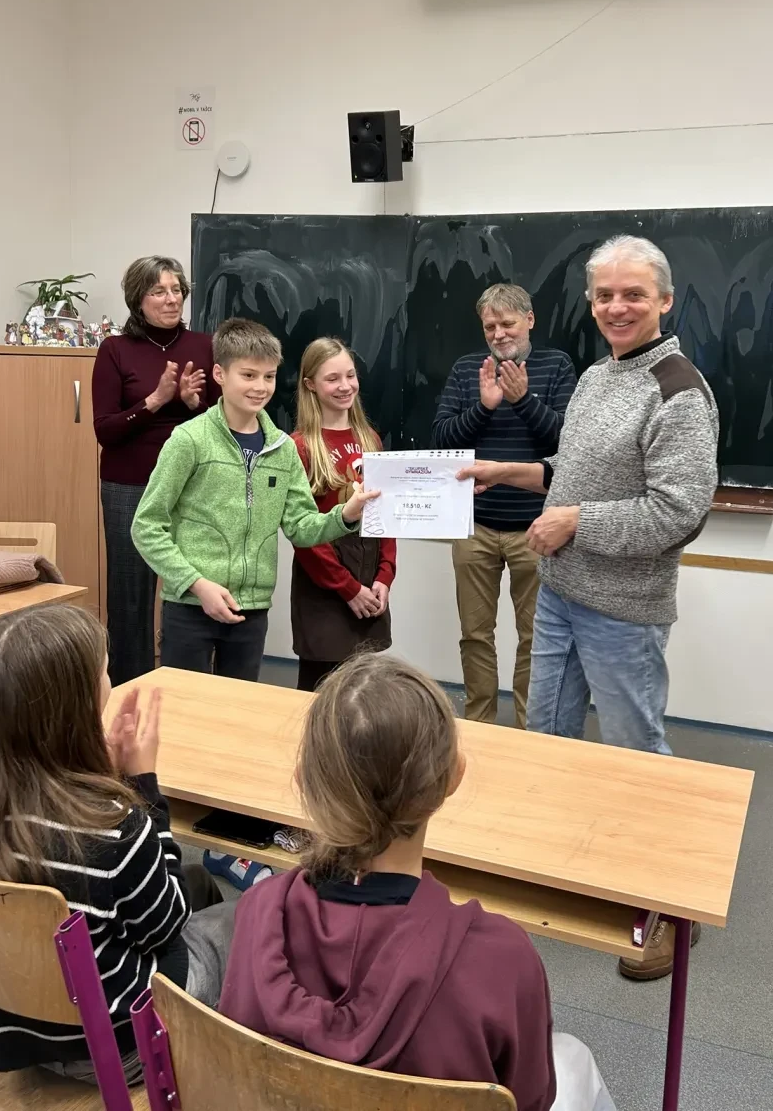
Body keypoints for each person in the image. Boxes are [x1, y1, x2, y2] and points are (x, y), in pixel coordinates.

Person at [459, 236, 718, 981]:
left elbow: (678, 512)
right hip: (561, 598)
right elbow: (570, 471)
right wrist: (507, 470)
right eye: (604, 295)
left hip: (623, 612)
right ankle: (556, 872)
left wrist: (575, 523)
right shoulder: (601, 375)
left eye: (632, 294)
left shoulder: (677, 390)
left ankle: (667, 912)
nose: (616, 307)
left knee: (637, 758)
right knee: (546, 740)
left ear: (664, 300)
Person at [218, 652, 617, 1111]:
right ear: (453, 777)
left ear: (305, 781)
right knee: (575, 1057)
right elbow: (531, 1098)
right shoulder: (503, 960)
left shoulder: (257, 915)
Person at [0, 604, 235, 1083]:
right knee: (253, 916)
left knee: (196, 879)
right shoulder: (114, 829)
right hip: (119, 1047)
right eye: (104, 671)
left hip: (10, 1033)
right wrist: (142, 786)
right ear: (75, 709)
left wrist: (97, 773)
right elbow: (167, 926)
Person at [132, 318, 379, 687]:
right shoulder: (189, 440)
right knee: (184, 709)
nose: (260, 387)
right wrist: (196, 583)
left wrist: (345, 514)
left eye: (269, 376)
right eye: (248, 375)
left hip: (251, 611)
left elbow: (301, 526)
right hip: (191, 606)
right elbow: (147, 525)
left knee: (240, 711)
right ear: (220, 374)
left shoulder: (281, 448)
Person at [432, 283, 577, 728]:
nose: (498, 334)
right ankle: (478, 724)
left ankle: (530, 729)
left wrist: (523, 401)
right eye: (489, 326)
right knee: (475, 635)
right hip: (473, 527)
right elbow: (442, 439)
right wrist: (484, 407)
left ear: (529, 320)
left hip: (536, 529)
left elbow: (570, 444)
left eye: (507, 323)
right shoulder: (467, 370)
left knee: (536, 638)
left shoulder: (557, 366)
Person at [92, 256, 219, 686]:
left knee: (196, 584)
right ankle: (130, 689)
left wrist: (193, 404)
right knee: (130, 595)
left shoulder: (205, 346)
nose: (171, 299)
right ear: (138, 299)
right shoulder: (115, 350)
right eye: (159, 291)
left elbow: (224, 420)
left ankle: (189, 686)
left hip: (193, 484)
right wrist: (156, 400)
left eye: (177, 290)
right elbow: (106, 430)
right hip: (130, 484)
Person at [290, 337, 396, 692]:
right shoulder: (301, 446)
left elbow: (385, 516)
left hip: (369, 579)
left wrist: (385, 576)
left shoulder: (370, 440)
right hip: (324, 586)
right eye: (332, 378)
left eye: (350, 375)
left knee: (362, 693)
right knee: (320, 692)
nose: (345, 386)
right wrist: (348, 589)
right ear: (310, 385)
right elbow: (304, 533)